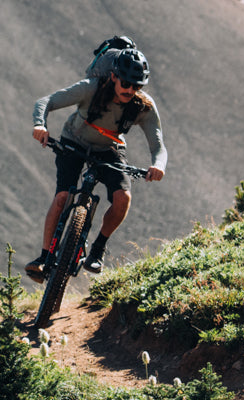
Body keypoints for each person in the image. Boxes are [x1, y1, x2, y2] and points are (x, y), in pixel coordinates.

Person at [24, 46, 167, 283]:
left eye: (136, 85)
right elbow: (46, 101)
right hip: (74, 141)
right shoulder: (90, 88)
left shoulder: (143, 106)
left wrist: (158, 165)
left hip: (110, 149)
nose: (130, 90)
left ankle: (98, 249)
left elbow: (158, 145)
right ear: (113, 76)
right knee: (62, 197)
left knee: (123, 198)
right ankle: (43, 258)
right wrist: (40, 125)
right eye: (126, 83)